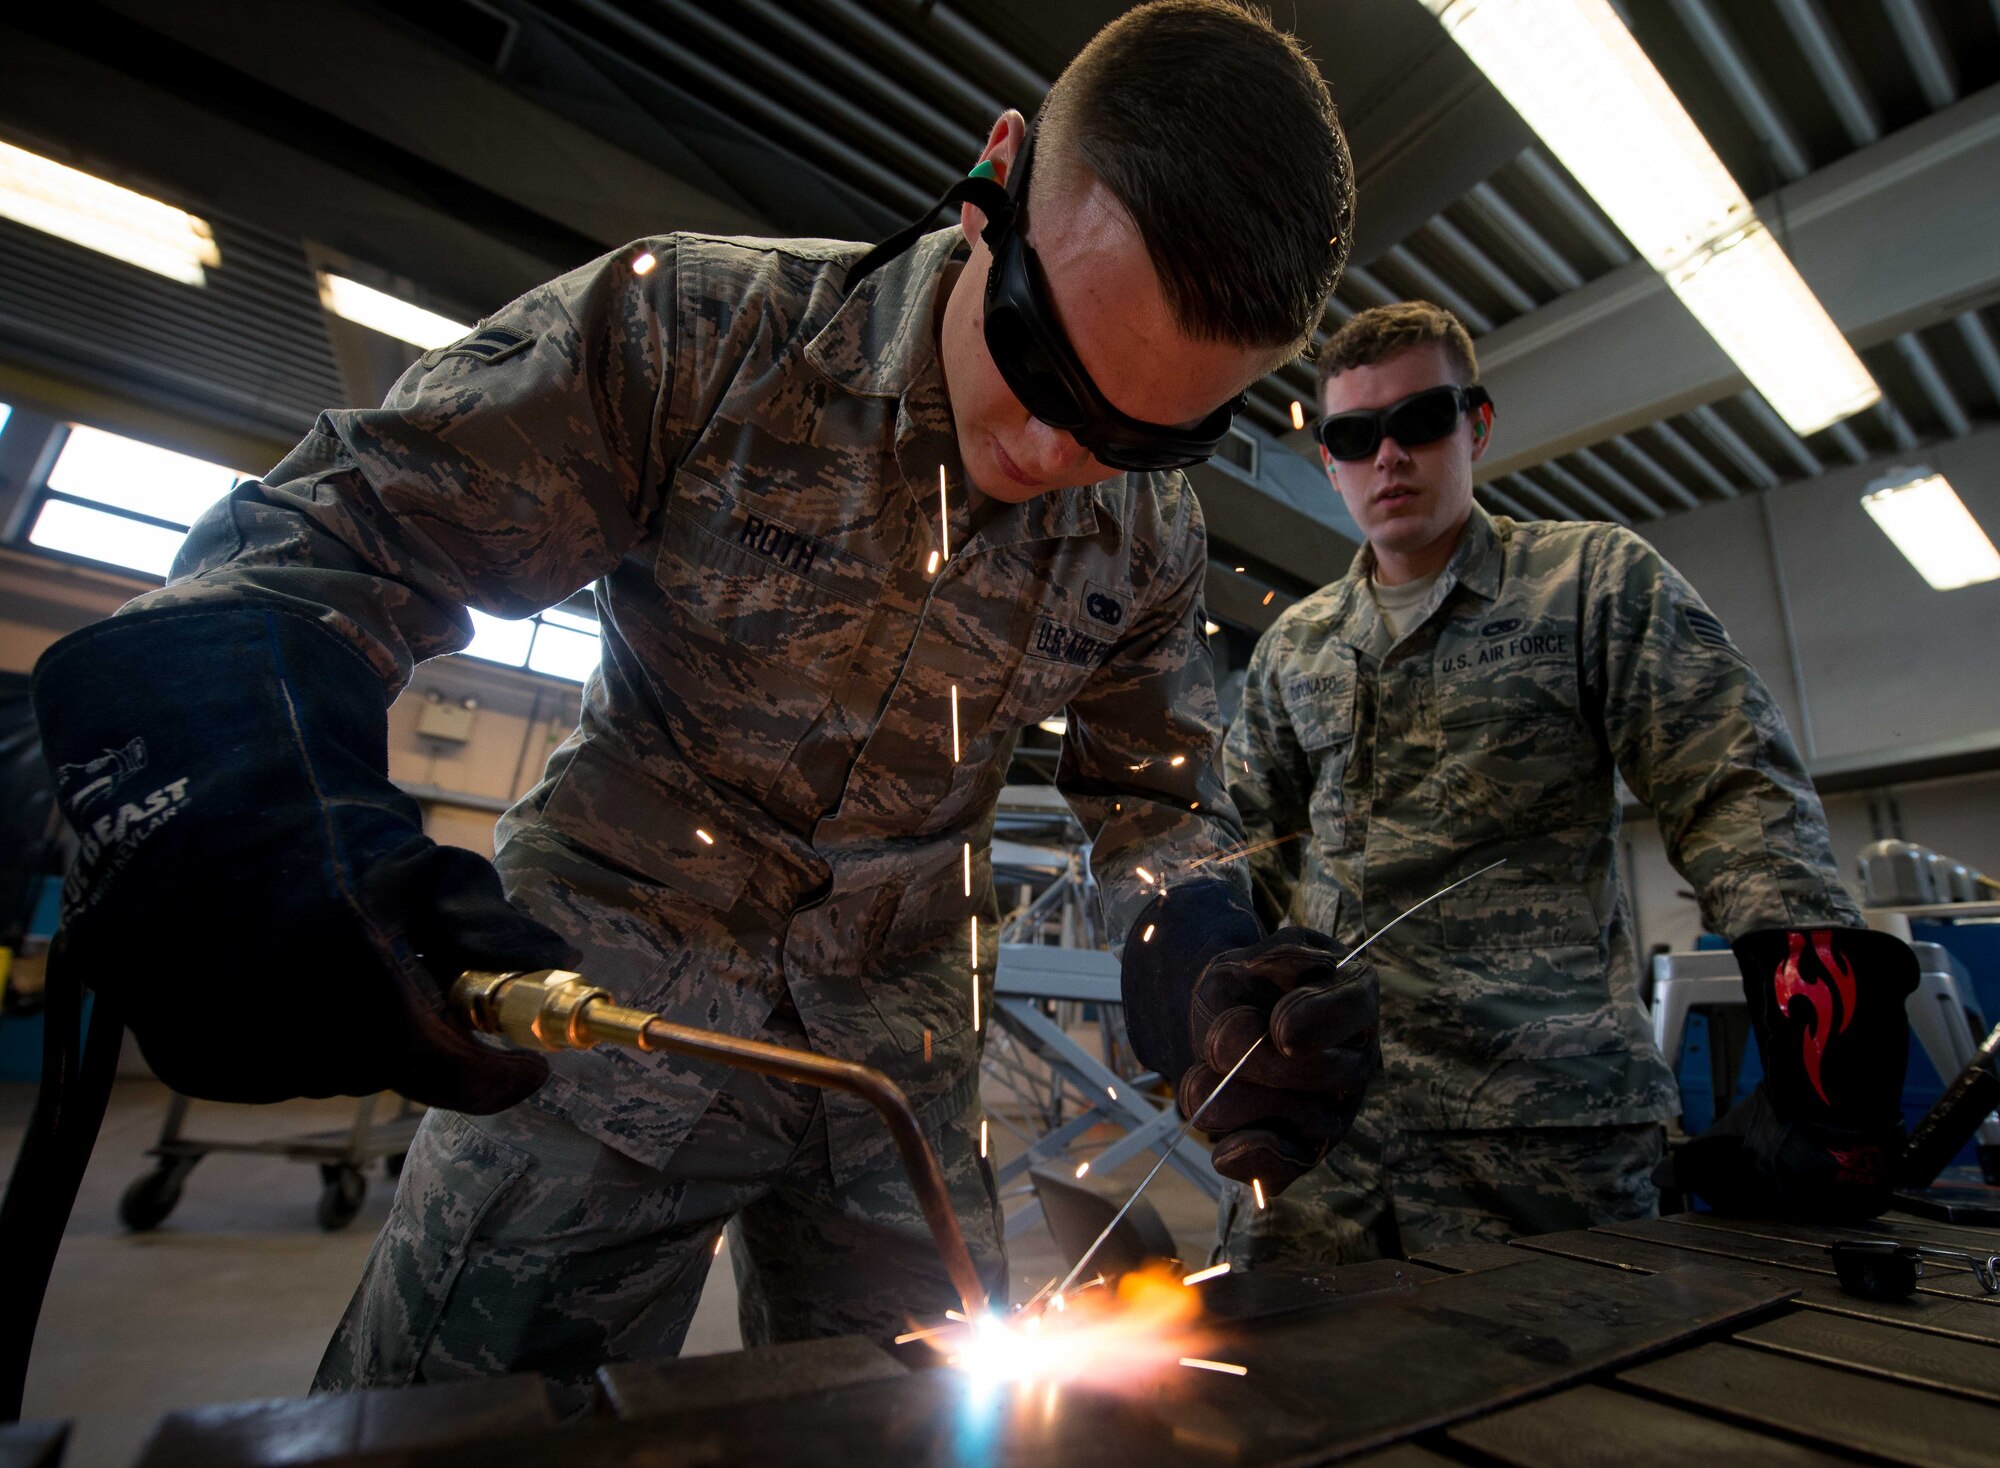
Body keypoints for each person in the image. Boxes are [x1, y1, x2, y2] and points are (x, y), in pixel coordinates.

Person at [30, 1, 1376, 1404]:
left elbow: (1157, 803)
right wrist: (260, 791)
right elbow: (324, 545)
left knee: (942, 1414)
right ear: (994, 181)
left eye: (1138, 435)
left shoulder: (1146, 539)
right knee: (460, 1433)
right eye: (1044, 362)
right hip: (600, 1022)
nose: (1052, 449)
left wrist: (1210, 956)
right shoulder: (699, 335)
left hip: (898, 1063)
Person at [1217, 300, 1917, 1270]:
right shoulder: (1295, 645)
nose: (1388, 456)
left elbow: (1729, 781)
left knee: (1564, 1418)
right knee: (1294, 1406)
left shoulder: (1591, 585)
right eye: (1353, 435)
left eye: (1418, 422)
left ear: (1476, 423)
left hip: (1544, 1142)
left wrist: (1805, 978)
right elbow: (1239, 851)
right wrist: (1205, 1009)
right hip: (1328, 1148)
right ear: (1328, 457)